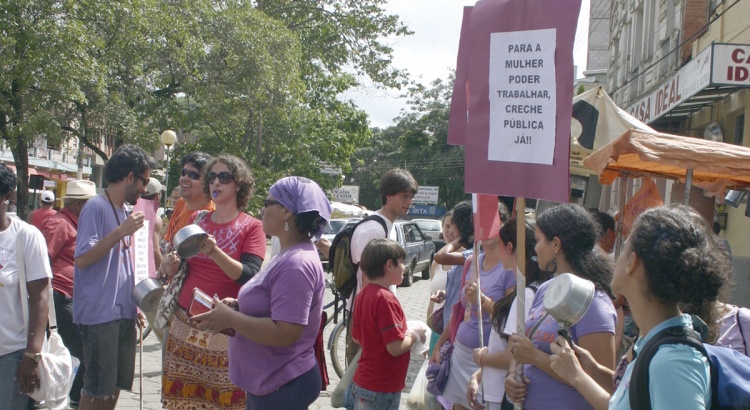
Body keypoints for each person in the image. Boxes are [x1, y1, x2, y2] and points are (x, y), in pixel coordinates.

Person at [548, 205, 730, 410]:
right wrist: (594, 370)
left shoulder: (672, 360)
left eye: (624, 248)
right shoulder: (652, 340)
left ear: (632, 263)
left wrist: (577, 377)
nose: (616, 257)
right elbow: (635, 398)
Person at [192, 176, 331, 409]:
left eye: (267, 204)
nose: (262, 210)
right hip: (271, 381)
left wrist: (230, 318)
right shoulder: (288, 255)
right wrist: (239, 305)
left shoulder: (296, 263)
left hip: (281, 385)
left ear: (287, 211)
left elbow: (285, 333)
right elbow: (274, 304)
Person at [160, 154, 266, 409]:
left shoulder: (251, 226)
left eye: (224, 178)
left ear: (239, 185)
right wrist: (170, 265)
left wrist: (214, 252)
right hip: (185, 324)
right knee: (180, 401)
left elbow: (249, 275)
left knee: (226, 401)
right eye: (211, 177)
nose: (216, 183)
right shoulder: (199, 221)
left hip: (224, 328)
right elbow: (183, 267)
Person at [505, 203, 617, 410]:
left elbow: (602, 385)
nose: (535, 248)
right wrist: (513, 375)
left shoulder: (593, 303)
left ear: (555, 244)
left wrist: (536, 358)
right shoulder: (546, 289)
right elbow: (525, 348)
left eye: (538, 240)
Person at [74, 144, 153, 410]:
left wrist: (135, 303)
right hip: (100, 313)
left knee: (116, 387)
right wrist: (121, 231)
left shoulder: (123, 211)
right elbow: (83, 259)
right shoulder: (95, 207)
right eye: (145, 181)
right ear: (130, 177)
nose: (145, 188)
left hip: (123, 312)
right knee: (96, 389)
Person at [432, 203, 515, 410]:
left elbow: (512, 319)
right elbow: (460, 311)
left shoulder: (510, 269)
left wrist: (482, 300)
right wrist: (440, 344)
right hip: (460, 351)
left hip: (487, 359)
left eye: (491, 223)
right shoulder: (472, 262)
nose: (484, 229)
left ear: (503, 226)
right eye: (479, 224)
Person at [467, 218, 551, 410]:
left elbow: (513, 353)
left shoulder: (527, 294)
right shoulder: (526, 288)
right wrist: (479, 374)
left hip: (502, 392)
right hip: (495, 388)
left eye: (499, 245)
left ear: (510, 246)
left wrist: (482, 358)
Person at [346, 168, 419, 364]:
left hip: (378, 314)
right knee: (361, 377)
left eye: (411, 197)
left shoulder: (389, 226)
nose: (409, 202)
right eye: (404, 196)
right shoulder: (373, 229)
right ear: (388, 196)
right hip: (369, 317)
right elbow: (366, 277)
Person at [348, 238, 427, 409]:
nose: (405, 267)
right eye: (401, 262)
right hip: (380, 387)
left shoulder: (363, 295)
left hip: (365, 383)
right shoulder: (385, 299)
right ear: (389, 265)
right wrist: (415, 335)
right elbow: (395, 347)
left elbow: (356, 338)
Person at [39, 180, 97, 406]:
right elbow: (42, 261)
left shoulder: (77, 224)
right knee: (80, 351)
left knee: (79, 352)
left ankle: (72, 398)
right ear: (81, 205)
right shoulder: (60, 224)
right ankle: (72, 398)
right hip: (60, 297)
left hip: (73, 298)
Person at [0, 164, 53, 410]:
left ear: (7, 196)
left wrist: (32, 355)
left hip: (10, 355)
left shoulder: (25, 237)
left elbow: (40, 297)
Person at [132, 178, 165, 341]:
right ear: (157, 196)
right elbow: (154, 249)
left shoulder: (129, 211)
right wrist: (165, 274)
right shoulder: (154, 219)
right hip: (147, 280)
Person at [163, 152, 215, 246]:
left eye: (193, 175)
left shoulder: (212, 216)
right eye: (183, 173)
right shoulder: (181, 203)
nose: (184, 178)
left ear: (208, 182)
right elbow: (170, 243)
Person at [426, 210, 457, 354]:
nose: (450, 231)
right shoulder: (437, 263)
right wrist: (428, 331)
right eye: (447, 226)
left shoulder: (466, 260)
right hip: (436, 330)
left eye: (454, 226)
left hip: (454, 332)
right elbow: (431, 300)